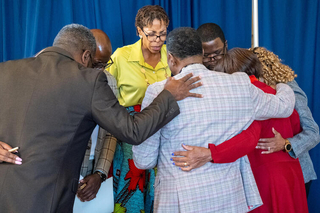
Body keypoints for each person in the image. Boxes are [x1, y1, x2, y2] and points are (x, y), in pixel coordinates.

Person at [0, 23, 202, 213]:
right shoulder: (88, 80)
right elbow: (133, 130)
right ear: (86, 56)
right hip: (44, 200)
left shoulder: (6, 69)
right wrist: (168, 95)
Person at [132, 27, 296, 213]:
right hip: (230, 198)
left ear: (171, 58)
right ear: (202, 53)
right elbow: (284, 106)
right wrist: (282, 82)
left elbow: (144, 160)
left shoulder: (158, 92)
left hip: (181, 201)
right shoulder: (239, 84)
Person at [178, 23, 320, 196]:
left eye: (217, 53)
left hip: (293, 172)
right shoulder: (210, 80)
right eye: (206, 56)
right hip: (252, 176)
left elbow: (313, 131)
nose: (212, 59)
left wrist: (287, 144)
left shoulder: (281, 84)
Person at [213, 48, 308, 212]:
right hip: (292, 173)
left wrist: (211, 153)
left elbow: (245, 139)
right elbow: (296, 126)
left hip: (263, 176)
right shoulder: (280, 93)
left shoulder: (242, 98)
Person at [106, 5, 170, 213]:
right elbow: (104, 92)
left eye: (162, 35)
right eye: (151, 34)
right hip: (130, 130)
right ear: (139, 31)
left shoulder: (171, 56)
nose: (157, 41)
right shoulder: (121, 56)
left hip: (163, 128)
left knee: (160, 187)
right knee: (131, 185)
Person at [77, 29, 118, 202]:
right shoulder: (64, 83)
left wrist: (100, 174)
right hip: (67, 173)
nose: (102, 71)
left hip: (95, 170)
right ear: (85, 57)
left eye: (105, 64)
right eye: (98, 64)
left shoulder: (110, 82)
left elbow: (111, 131)